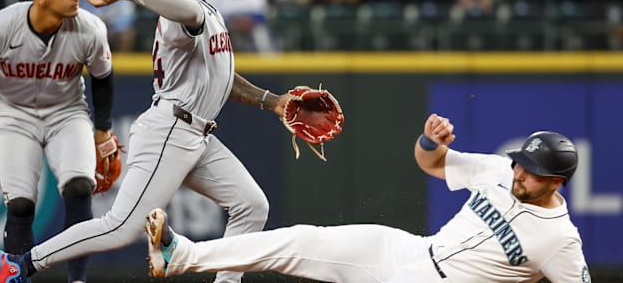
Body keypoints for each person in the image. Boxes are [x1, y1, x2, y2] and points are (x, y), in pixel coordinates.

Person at [0, 0, 300, 283]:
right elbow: (185, 12)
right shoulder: (183, 10)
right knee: (120, 227)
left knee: (251, 205)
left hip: (197, 134)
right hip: (170, 129)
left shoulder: (206, 11)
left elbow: (221, 76)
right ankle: (20, 264)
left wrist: (272, 101)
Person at [145, 113, 590, 283]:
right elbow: (430, 164)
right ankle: (181, 254)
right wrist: (430, 141)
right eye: (520, 163)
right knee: (301, 241)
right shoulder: (499, 170)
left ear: (556, 182)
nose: (520, 173)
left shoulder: (561, 241)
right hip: (413, 250)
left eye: (532, 173)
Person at [0, 0, 115, 283]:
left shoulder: (90, 29)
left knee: (80, 187)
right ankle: (17, 277)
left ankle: (78, 281)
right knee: (21, 205)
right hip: (15, 115)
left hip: (67, 112)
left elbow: (103, 77)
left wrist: (103, 132)